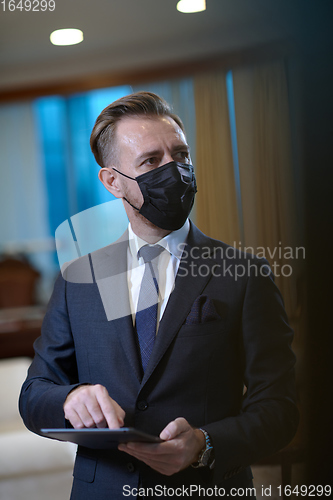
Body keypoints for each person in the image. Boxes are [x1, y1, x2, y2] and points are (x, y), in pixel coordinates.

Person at [19, 92, 298, 499]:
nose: (176, 171)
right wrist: (71, 398)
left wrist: (205, 443)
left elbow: (280, 408)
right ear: (113, 181)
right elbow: (34, 394)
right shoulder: (78, 279)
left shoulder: (246, 273)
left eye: (181, 156)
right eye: (151, 161)